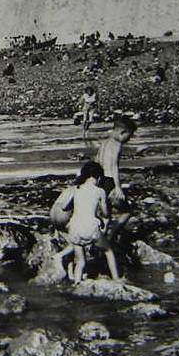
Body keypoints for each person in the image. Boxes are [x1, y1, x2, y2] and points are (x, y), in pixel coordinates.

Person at [52, 162, 118, 281]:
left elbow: (64, 207)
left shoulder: (77, 189)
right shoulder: (100, 191)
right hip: (90, 228)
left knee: (81, 262)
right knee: (108, 251)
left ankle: (77, 283)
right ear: (98, 177)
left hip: (75, 229)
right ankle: (117, 279)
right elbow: (106, 213)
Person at [94, 115, 136, 250]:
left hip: (100, 181)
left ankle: (100, 240)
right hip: (110, 182)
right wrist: (118, 187)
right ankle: (110, 237)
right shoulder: (117, 144)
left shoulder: (104, 143)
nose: (128, 140)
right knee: (127, 211)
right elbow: (113, 166)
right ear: (122, 132)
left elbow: (96, 163)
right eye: (128, 136)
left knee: (105, 214)